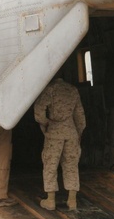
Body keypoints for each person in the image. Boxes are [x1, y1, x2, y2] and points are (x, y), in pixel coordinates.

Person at [34, 77, 86, 211]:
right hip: (71, 132)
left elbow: (39, 112)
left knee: (51, 164)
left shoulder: (50, 89)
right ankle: (72, 200)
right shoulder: (73, 90)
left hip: (54, 132)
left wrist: (46, 124)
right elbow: (80, 116)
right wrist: (78, 132)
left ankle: (51, 200)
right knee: (71, 165)